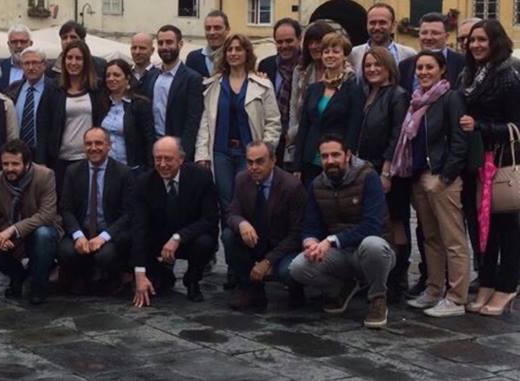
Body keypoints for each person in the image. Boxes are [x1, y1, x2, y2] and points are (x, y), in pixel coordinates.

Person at [290, 135, 395, 330]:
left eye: (335, 155)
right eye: (324, 156)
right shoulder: (317, 184)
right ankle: (342, 288)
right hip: (340, 254)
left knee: (373, 245)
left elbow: (372, 226)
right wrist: (310, 242)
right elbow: (310, 225)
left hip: (372, 251)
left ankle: (377, 298)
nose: (330, 161)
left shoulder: (368, 177)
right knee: (298, 266)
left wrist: (331, 240)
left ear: (347, 155)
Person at [393, 51, 469, 317]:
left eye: (429, 67)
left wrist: (445, 177)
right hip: (419, 175)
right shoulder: (416, 100)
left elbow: (459, 141)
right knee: (431, 238)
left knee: (453, 239)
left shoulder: (450, 98)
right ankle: (434, 290)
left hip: (440, 176)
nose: (423, 72)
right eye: (420, 68)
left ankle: (457, 298)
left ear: (442, 70)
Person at [460, 19, 520, 316]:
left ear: (496, 41)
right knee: (482, 228)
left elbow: (516, 125)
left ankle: (507, 285)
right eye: (472, 40)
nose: (475, 45)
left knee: (506, 227)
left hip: (501, 160)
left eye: (482, 40)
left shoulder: (509, 76)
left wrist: (479, 126)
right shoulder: (470, 73)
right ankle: (487, 281)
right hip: (475, 161)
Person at [197, 33, 281, 219]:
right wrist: (202, 154)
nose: (233, 53)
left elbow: (273, 121)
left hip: (250, 153)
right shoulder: (213, 85)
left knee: (249, 199)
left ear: (247, 53)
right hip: (221, 153)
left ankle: (248, 234)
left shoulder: (262, 84)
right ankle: (230, 235)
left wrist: (266, 150)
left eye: (238, 49)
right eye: (230, 49)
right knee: (226, 201)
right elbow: (206, 122)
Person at [131, 136, 219, 307]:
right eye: (158, 159)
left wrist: (178, 237)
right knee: (131, 239)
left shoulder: (201, 176)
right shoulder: (144, 182)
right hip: (159, 239)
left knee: (205, 242)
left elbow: (210, 218)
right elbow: (139, 228)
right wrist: (139, 273)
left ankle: (192, 280)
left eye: (168, 159)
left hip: (189, 237)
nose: (162, 164)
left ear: (181, 159)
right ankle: (161, 273)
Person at [223, 141, 306, 310]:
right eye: (250, 162)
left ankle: (296, 290)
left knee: (287, 271)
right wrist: (241, 223)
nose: (254, 167)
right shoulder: (242, 179)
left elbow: (297, 233)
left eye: (260, 161)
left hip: (283, 247)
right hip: (256, 240)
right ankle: (251, 290)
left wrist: (268, 261)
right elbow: (231, 212)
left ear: (273, 161)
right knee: (229, 235)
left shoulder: (292, 187)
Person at [356, 47, 411, 300]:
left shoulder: (398, 95)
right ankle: (377, 276)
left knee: (395, 221)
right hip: (368, 168)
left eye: (377, 64)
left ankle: (398, 279)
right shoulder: (368, 93)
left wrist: (387, 172)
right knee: (375, 221)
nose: (372, 69)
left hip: (389, 170)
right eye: (368, 65)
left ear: (389, 67)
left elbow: (397, 136)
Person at [0, 139, 61, 305]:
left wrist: (13, 230)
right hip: (9, 237)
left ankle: (38, 286)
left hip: (38, 230)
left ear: (27, 163)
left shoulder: (45, 176)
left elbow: (47, 214)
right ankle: (17, 275)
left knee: (44, 234)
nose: (9, 168)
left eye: (15, 164)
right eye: (5, 164)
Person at [58, 127, 134, 294]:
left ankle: (112, 278)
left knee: (105, 256)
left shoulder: (123, 173)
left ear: (109, 145)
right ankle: (81, 277)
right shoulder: (73, 171)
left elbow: (128, 213)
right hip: (82, 230)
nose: (93, 148)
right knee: (65, 252)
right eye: (88, 144)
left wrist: (104, 237)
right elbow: (66, 208)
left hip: (109, 232)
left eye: (98, 143)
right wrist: (78, 235)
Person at [295, 32, 364, 183]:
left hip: (337, 160)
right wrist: (297, 164)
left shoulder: (353, 89)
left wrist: (348, 158)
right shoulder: (314, 89)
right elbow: (304, 127)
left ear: (344, 56)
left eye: (335, 51)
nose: (330, 55)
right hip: (310, 158)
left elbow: (354, 127)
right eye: (326, 52)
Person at [38, 40, 98, 188]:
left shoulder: (96, 89)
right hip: (60, 160)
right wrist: (41, 160)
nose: (73, 62)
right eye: (69, 58)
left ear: (86, 62)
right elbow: (43, 125)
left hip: (89, 158)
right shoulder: (53, 88)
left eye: (78, 58)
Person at [141, 24, 203, 163]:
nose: (164, 47)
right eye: (161, 43)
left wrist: (183, 152)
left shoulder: (192, 78)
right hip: (152, 149)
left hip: (177, 151)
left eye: (169, 42)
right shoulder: (151, 76)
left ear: (180, 44)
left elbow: (193, 121)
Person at [285, 20, 338, 166]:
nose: (314, 46)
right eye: (310, 42)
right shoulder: (301, 71)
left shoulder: (344, 74)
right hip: (302, 138)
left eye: (318, 42)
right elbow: (294, 106)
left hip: (332, 141)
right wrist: (292, 132)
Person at [93, 59, 156, 174]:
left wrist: (149, 170)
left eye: (116, 75)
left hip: (132, 169)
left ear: (127, 78)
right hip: (106, 169)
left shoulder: (140, 104)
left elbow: (149, 139)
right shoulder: (101, 104)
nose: (111, 78)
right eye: (108, 75)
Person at [257, 18, 302, 158]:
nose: (284, 46)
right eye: (279, 42)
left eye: (289, 41)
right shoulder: (266, 65)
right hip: (273, 136)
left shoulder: (307, 66)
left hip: (298, 137)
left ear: (299, 39)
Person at [398, 12, 465, 94]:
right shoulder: (405, 66)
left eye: (435, 33)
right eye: (424, 33)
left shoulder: (462, 63)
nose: (428, 37)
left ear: (446, 36)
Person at [7, 46, 56, 156]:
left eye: (35, 63)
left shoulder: (55, 89)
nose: (30, 67)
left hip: (47, 154)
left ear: (44, 64)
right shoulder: (13, 89)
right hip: (18, 154)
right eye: (26, 63)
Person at [348, 3, 417, 73]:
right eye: (372, 23)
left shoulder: (408, 54)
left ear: (393, 25)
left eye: (382, 23)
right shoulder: (354, 54)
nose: (377, 27)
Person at [186, 10, 230, 80]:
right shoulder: (193, 58)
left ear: (227, 30)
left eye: (217, 28)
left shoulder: (234, 57)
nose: (212, 32)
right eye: (208, 28)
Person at [0, 25, 33, 92]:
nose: (19, 46)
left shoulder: (41, 70)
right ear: (8, 44)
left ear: (31, 44)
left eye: (23, 41)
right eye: (14, 42)